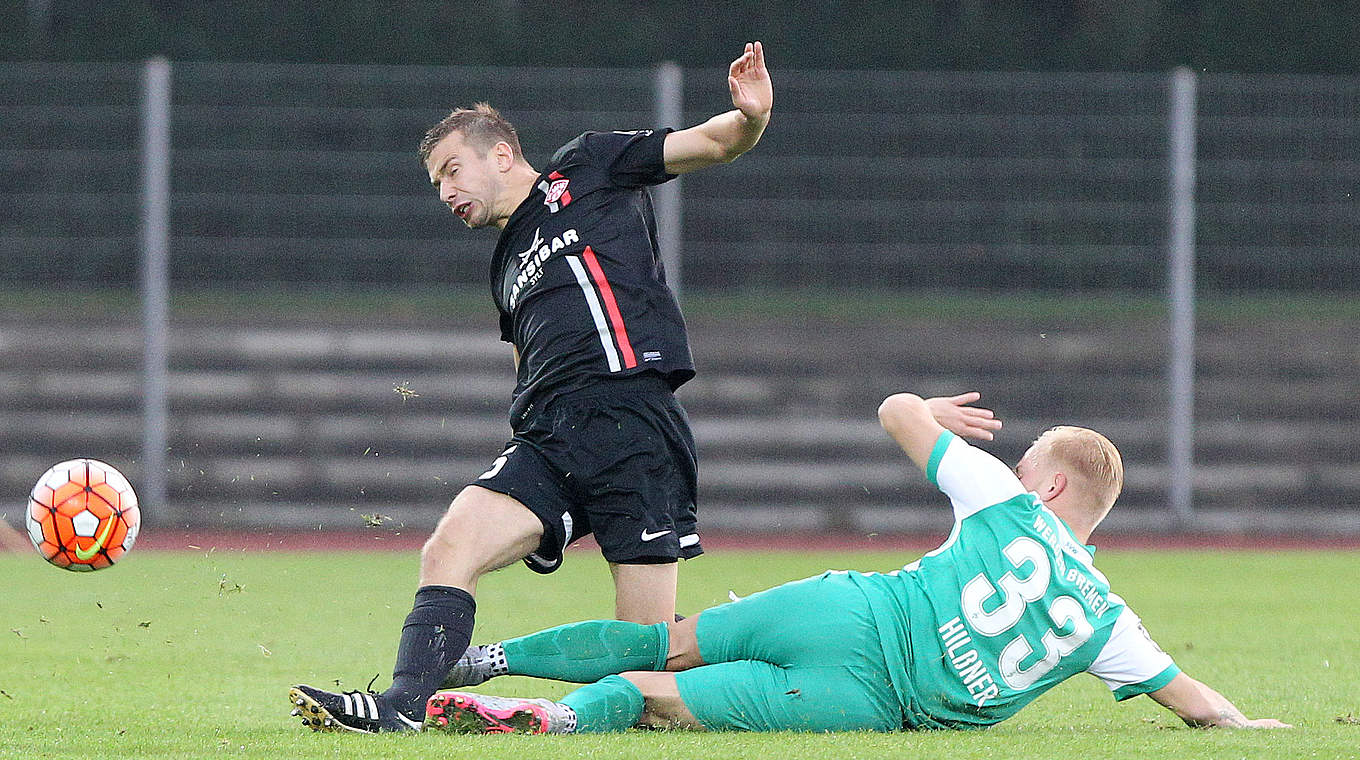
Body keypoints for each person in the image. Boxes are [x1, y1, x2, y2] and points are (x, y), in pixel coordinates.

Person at [289, 42, 773, 733]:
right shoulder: (505, 264)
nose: (447, 193)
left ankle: (766, 660)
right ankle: (403, 708)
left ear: (503, 155)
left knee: (648, 666)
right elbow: (527, 364)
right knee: (448, 548)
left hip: (633, 423)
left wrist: (749, 118)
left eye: (453, 170)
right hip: (548, 440)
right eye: (435, 184)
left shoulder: (587, 166)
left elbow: (712, 143)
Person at [417, 391, 1291, 734]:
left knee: (662, 639)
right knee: (658, 704)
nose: (1019, 472)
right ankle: (553, 721)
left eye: (1029, 464)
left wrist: (929, 411)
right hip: (871, 699)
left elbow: (895, 410)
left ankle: (471, 658)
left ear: (1054, 489)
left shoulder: (1005, 501)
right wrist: (1252, 730)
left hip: (850, 608)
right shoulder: (1107, 621)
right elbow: (1198, 704)